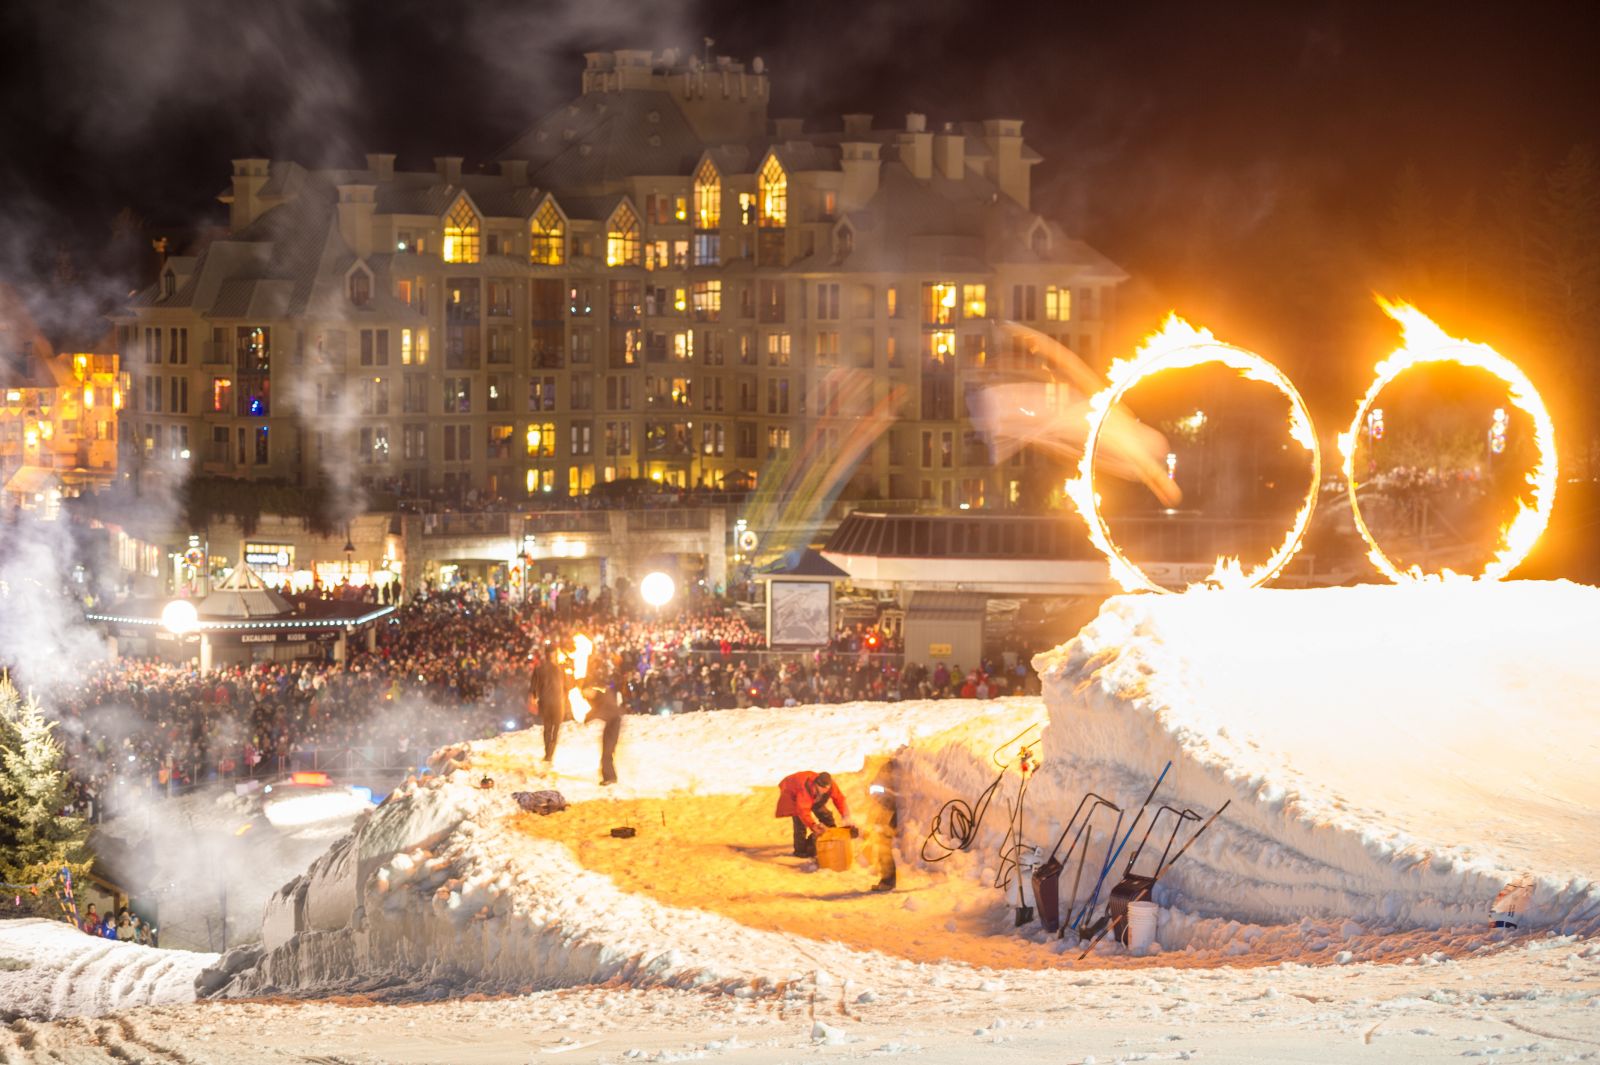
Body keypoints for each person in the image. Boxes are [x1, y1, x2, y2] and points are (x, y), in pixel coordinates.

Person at [775, 770, 852, 859]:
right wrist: (813, 825)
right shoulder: (804, 789)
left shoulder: (830, 786)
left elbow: (839, 799)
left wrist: (845, 816)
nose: (825, 790)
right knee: (800, 823)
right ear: (816, 784)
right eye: (822, 788)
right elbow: (803, 811)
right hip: (791, 789)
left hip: (812, 796)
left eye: (826, 788)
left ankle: (831, 838)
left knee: (826, 815)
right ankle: (800, 851)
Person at [580, 652, 625, 786]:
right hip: (611, 722)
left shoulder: (601, 696)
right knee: (606, 751)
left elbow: (599, 710)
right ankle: (608, 777)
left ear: (590, 689)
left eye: (585, 692)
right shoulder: (597, 696)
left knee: (607, 752)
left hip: (614, 722)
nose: (585, 696)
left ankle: (611, 778)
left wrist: (588, 717)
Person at [531, 640, 567, 765]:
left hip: (546, 703)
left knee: (547, 729)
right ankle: (550, 753)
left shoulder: (539, 669)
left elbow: (533, 688)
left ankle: (548, 754)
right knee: (555, 729)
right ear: (553, 654)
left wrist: (535, 698)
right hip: (557, 703)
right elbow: (567, 686)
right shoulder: (560, 669)